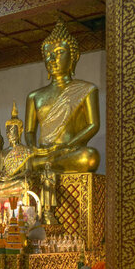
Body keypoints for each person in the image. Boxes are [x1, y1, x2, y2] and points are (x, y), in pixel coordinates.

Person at [25, 19, 100, 173]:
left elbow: (93, 125)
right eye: (48, 54)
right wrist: (33, 148)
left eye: (59, 52)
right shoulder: (34, 96)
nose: (51, 59)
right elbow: (29, 131)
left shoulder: (87, 89)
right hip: (42, 155)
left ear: (74, 56)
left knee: (90, 157)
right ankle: (40, 164)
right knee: (1, 162)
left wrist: (67, 146)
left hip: (69, 152)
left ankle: (43, 164)